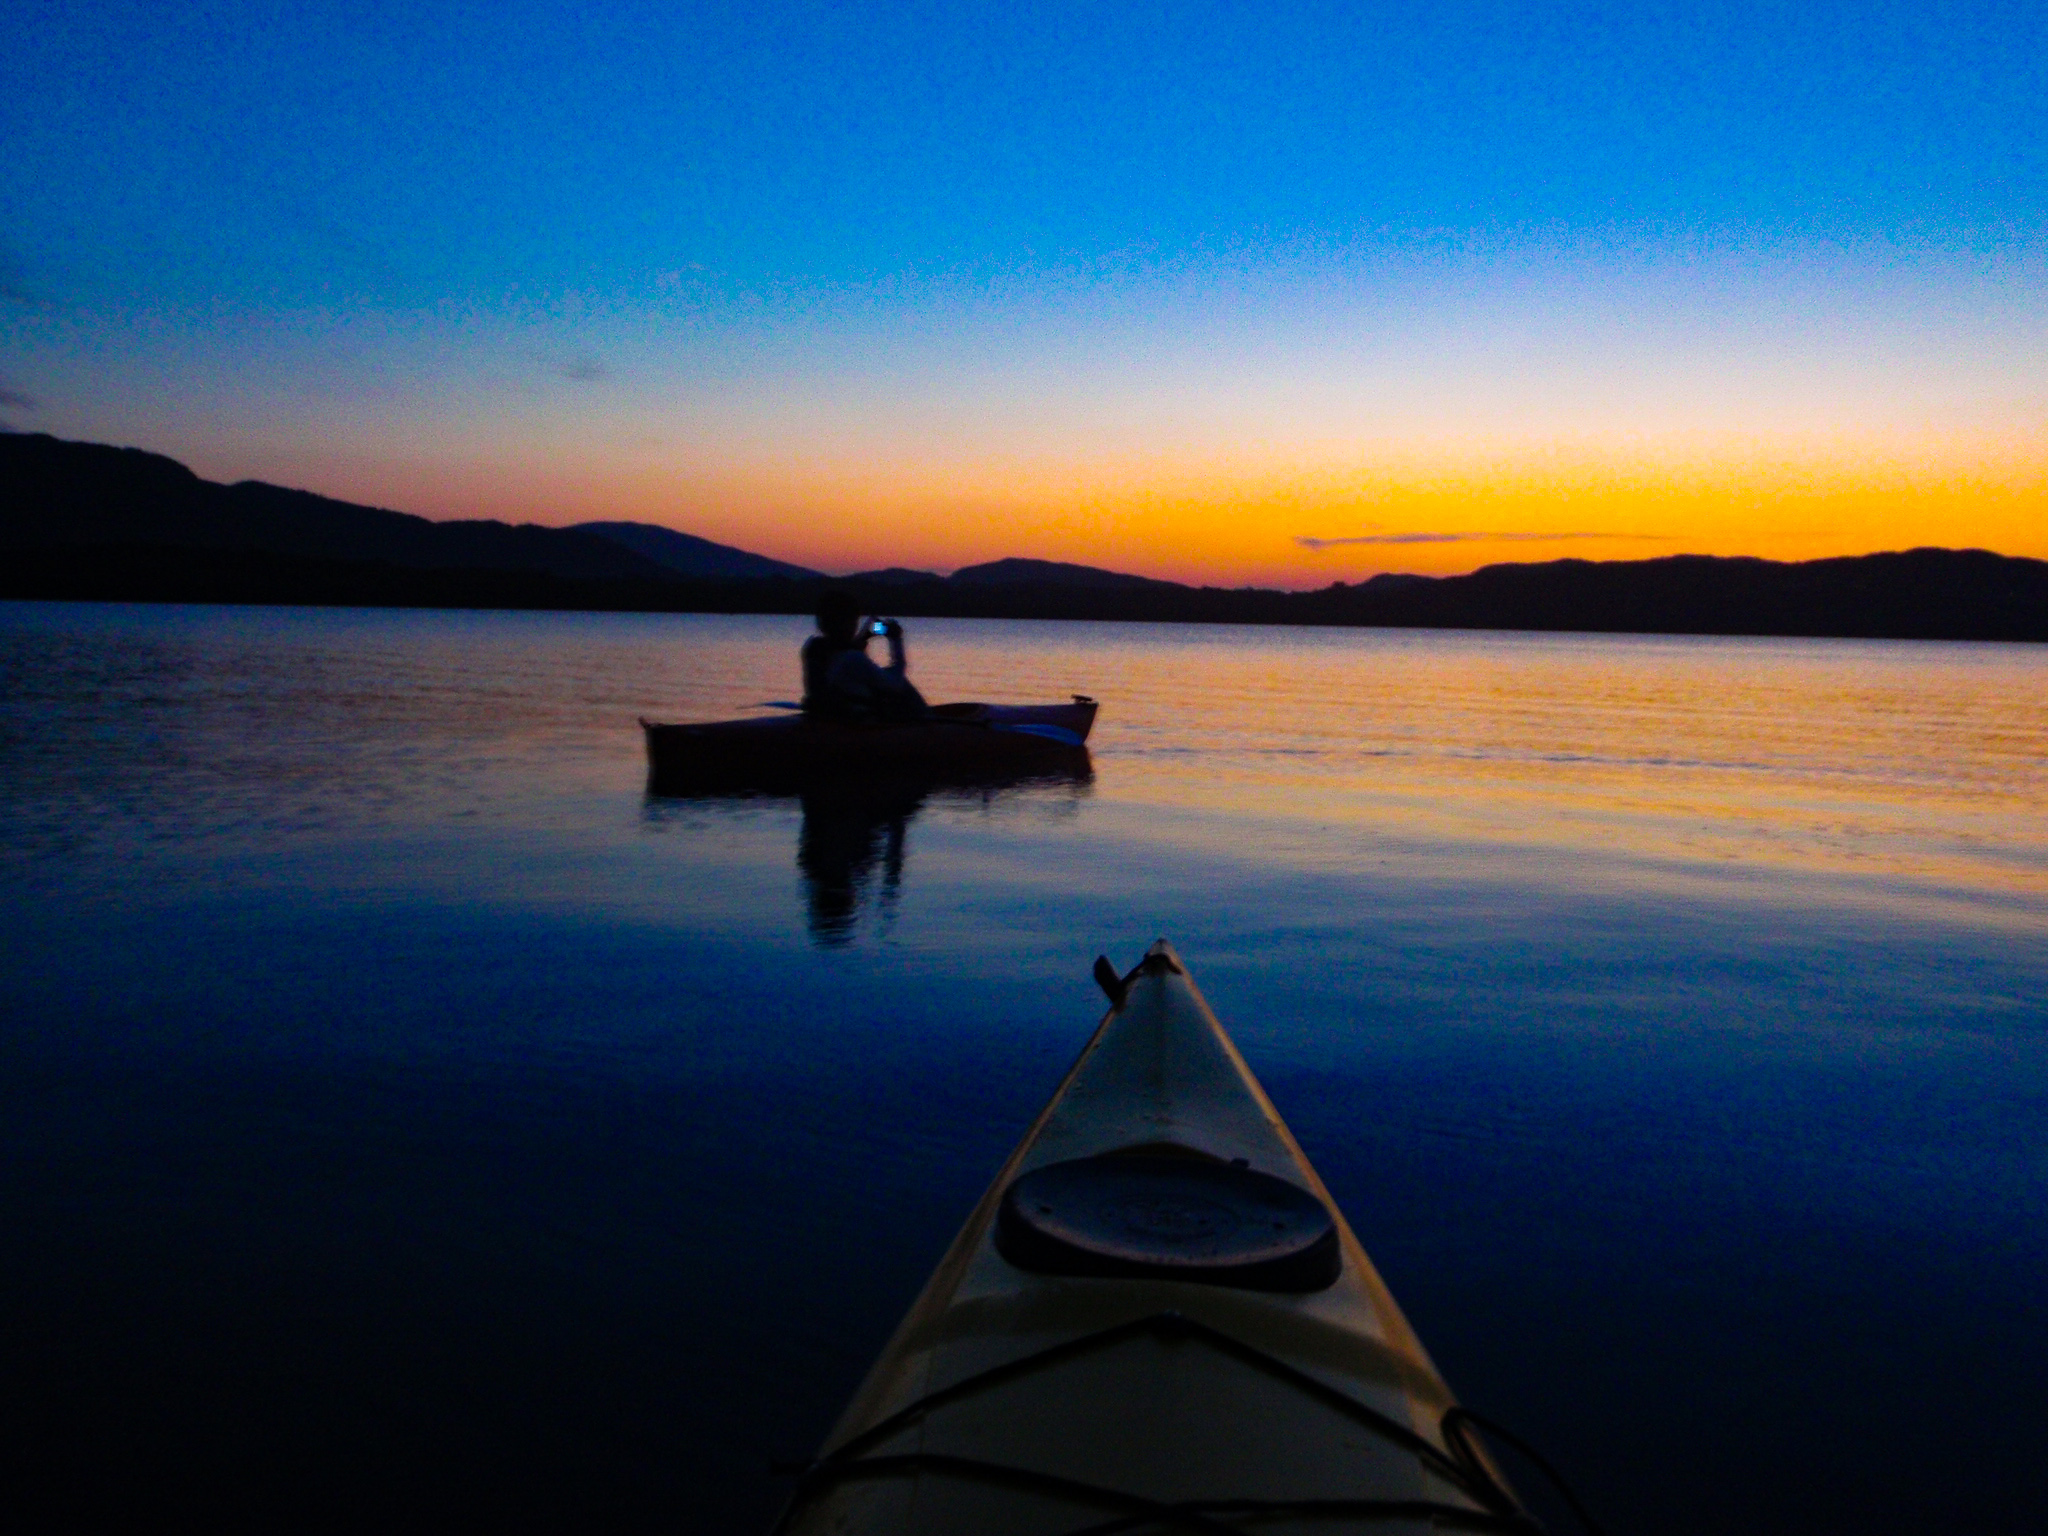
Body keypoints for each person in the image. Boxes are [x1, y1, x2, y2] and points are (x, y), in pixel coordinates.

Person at [800, 589, 928, 721]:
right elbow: (895, 685)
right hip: (856, 722)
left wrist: (861, 640)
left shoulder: (814, 649)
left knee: (886, 673)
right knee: (903, 684)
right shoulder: (853, 658)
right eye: (854, 620)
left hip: (831, 716)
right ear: (849, 622)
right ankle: (929, 724)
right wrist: (896, 640)